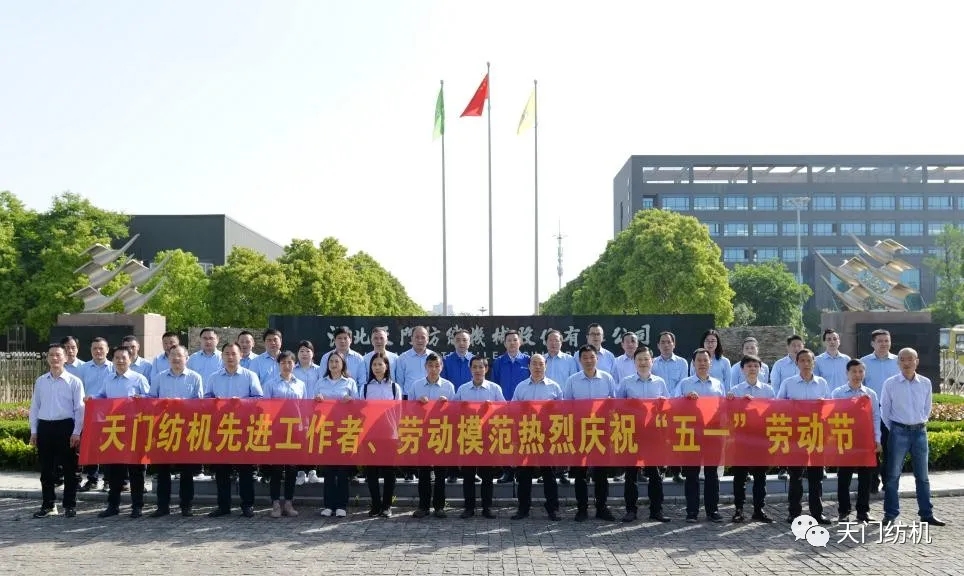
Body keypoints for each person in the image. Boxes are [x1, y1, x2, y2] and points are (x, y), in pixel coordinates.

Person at [881, 348, 945, 526]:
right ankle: (890, 514)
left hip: (919, 433)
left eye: (910, 359)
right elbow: (885, 410)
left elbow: (927, 408)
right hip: (898, 432)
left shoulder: (925, 382)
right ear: (898, 362)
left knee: (923, 476)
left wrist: (918, 423)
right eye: (902, 359)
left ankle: (926, 514)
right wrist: (895, 428)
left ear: (917, 361)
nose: (906, 363)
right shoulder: (890, 383)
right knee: (893, 476)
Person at [204, 342, 263, 518]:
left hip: (243, 428)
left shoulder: (250, 376)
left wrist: (242, 402)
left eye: (234, 354)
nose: (230, 357)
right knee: (222, 470)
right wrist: (214, 402)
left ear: (240, 356)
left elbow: (259, 399)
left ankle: (247, 505)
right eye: (227, 354)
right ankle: (223, 506)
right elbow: (206, 399)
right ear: (222, 356)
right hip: (221, 429)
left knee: (245, 470)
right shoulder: (214, 377)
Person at [29, 343, 84, 518]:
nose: (54, 358)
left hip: (65, 427)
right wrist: (34, 431)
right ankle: (48, 505)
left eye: (58, 355)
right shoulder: (41, 381)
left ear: (65, 358)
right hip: (45, 427)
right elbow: (35, 407)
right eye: (51, 355)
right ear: (47, 358)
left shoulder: (74, 382)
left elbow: (80, 409)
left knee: (70, 469)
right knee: (47, 470)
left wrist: (76, 432)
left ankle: (70, 505)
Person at [777, 348, 832, 525]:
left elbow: (831, 407)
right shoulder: (788, 383)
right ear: (797, 363)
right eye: (802, 360)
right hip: (796, 434)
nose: (806, 364)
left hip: (816, 432)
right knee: (795, 476)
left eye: (809, 360)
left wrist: (824, 405)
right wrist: (789, 405)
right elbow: (778, 406)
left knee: (816, 477)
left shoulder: (822, 383)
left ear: (814, 363)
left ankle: (817, 513)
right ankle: (794, 512)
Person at [147, 344, 203, 517]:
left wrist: (183, 405)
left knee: (186, 471)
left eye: (180, 355)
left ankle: (186, 505)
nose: (176, 359)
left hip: (186, 430)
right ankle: (162, 506)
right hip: (164, 429)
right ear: (168, 358)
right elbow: (151, 400)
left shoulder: (195, 377)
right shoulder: (159, 377)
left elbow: (200, 404)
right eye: (173, 355)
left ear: (187, 358)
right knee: (163, 470)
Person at [563, 344, 617, 522]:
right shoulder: (572, 380)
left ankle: (602, 507)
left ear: (597, 358)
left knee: (601, 473)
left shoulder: (607, 379)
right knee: (580, 473)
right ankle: (582, 508)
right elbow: (566, 407)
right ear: (580, 360)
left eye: (591, 357)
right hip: (579, 432)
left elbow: (614, 404)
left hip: (601, 432)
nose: (588, 360)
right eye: (585, 358)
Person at [97, 346, 150, 518]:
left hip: (135, 431)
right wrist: (91, 400)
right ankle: (113, 505)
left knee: (136, 471)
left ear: (130, 360)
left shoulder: (139, 379)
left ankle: (137, 506)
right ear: (113, 360)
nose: (120, 361)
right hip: (115, 430)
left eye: (124, 358)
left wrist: (142, 399)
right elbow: (101, 397)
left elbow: (150, 399)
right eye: (117, 358)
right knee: (114, 471)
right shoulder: (108, 379)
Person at [618, 346, 670, 523]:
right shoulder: (626, 383)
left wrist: (663, 404)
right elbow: (617, 407)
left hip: (653, 435)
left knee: (655, 474)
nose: (643, 362)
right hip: (632, 433)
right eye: (639, 359)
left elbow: (668, 407)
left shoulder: (660, 382)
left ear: (652, 361)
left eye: (646, 359)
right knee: (631, 474)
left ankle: (656, 510)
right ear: (634, 362)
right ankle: (630, 510)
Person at [510, 354, 562, 521]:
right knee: (524, 474)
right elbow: (513, 410)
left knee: (549, 474)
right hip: (526, 434)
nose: (538, 367)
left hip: (547, 436)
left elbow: (562, 412)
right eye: (534, 364)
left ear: (546, 366)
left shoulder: (554, 387)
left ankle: (552, 508)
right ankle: (523, 508)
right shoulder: (521, 387)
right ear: (529, 366)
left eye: (541, 364)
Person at [676, 348, 725, 523]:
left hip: (713, 433)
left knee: (712, 474)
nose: (702, 363)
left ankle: (713, 510)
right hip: (691, 433)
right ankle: (692, 511)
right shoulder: (684, 384)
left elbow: (724, 408)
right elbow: (673, 405)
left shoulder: (718, 384)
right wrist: (685, 399)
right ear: (693, 363)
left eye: (705, 360)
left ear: (710, 363)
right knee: (691, 474)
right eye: (699, 360)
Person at [309, 351, 357, 518]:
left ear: (343, 364)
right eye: (331, 361)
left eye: (337, 361)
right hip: (326, 430)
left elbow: (359, 406)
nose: (334, 364)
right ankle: (329, 505)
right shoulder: (320, 382)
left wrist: (351, 401)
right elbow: (312, 406)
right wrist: (317, 400)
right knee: (328, 471)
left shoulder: (350, 382)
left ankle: (342, 505)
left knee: (343, 471)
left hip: (344, 429)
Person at [726, 355, 775, 523]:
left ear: (760, 369)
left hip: (761, 439)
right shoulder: (735, 391)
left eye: (755, 366)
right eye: (749, 366)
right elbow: (728, 416)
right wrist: (734, 403)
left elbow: (773, 413)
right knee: (740, 477)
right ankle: (739, 510)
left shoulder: (768, 391)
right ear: (742, 369)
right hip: (741, 439)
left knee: (760, 477)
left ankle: (759, 509)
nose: (752, 369)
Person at [455, 356, 505, 518]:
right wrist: (461, 408)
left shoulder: (494, 389)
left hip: (488, 437)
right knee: (468, 475)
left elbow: (505, 410)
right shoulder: (462, 389)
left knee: (487, 476)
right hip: (468, 435)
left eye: (481, 367)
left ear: (486, 369)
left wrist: (493, 407)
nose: (477, 370)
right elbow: (452, 412)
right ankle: (469, 508)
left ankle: (487, 508)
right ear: (470, 369)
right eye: (474, 367)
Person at [831, 359, 880, 524]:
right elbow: (833, 416)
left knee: (865, 478)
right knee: (844, 477)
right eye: (854, 371)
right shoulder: (838, 393)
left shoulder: (870, 394)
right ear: (847, 373)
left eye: (860, 371)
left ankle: (863, 511)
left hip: (865, 441)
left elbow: (876, 417)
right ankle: (843, 511)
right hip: (845, 440)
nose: (857, 375)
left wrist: (877, 439)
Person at [408, 353, 455, 518]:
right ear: (425, 367)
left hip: (442, 433)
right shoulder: (416, 386)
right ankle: (423, 506)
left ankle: (439, 507)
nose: (433, 369)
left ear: (441, 367)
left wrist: (446, 405)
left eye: (437, 366)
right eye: (430, 366)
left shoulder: (448, 386)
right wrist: (417, 404)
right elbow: (408, 410)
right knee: (424, 473)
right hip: (422, 433)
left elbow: (455, 413)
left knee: (441, 474)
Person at [263, 350, 305, 518]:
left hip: (295, 430)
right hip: (277, 430)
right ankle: (275, 504)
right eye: (283, 362)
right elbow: (265, 408)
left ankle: (288, 503)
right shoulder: (270, 384)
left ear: (295, 364)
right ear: (278, 365)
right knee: (276, 468)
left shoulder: (301, 384)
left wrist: (304, 427)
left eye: (290, 362)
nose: (286, 365)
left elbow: (305, 407)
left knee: (292, 469)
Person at [362, 352, 403, 517]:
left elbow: (399, 413)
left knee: (389, 472)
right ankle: (375, 505)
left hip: (389, 436)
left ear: (386, 367)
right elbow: (360, 412)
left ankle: (387, 506)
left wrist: (399, 434)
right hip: (370, 436)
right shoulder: (365, 388)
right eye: (374, 364)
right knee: (371, 472)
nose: (377, 367)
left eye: (380, 364)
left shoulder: (394, 387)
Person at [860, 329, 899, 493]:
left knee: (890, 450)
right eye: (880, 341)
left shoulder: (898, 361)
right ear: (872, 343)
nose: (884, 344)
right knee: (872, 449)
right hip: (871, 413)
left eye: (886, 341)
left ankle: (888, 482)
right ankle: (872, 483)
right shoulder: (863, 363)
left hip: (892, 413)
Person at [491, 330, 529, 484]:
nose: (512, 343)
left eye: (515, 340)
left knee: (522, 439)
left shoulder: (527, 361)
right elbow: (494, 384)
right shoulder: (499, 362)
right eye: (509, 340)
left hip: (523, 409)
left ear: (520, 342)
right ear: (504, 343)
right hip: (504, 407)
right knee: (505, 439)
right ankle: (507, 472)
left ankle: (522, 471)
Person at [652, 330, 690, 484]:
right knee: (659, 439)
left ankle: (676, 471)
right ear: (658, 345)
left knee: (675, 438)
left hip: (676, 406)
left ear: (674, 344)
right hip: (657, 407)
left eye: (669, 342)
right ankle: (660, 470)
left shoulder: (682, 363)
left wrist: (670, 400)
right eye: (663, 342)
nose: (666, 345)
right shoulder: (652, 362)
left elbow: (683, 384)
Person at [77, 337, 113, 492]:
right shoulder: (83, 368)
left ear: (107, 350)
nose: (98, 351)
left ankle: (108, 480)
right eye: (95, 348)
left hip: (109, 415)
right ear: (90, 350)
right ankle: (92, 479)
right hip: (89, 414)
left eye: (101, 348)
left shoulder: (114, 367)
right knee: (91, 447)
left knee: (108, 446)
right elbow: (79, 390)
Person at [544, 329, 576, 485]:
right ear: (546, 343)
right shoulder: (541, 360)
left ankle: (563, 472)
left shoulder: (569, 360)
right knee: (546, 440)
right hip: (544, 407)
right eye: (550, 340)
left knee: (563, 440)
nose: (553, 343)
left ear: (561, 342)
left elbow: (574, 381)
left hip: (564, 405)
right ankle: (547, 472)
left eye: (556, 340)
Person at [770, 334, 804, 481]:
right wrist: (782, 404)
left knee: (803, 437)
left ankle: (806, 467)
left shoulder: (808, 361)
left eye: (799, 345)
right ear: (788, 347)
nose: (796, 348)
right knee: (784, 437)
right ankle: (783, 468)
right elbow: (775, 386)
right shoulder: (779, 365)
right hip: (785, 407)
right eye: (793, 345)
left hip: (804, 409)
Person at [293, 339, 322, 486]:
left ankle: (312, 470)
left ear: (313, 353)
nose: (305, 354)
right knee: (299, 440)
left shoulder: (319, 370)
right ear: (297, 354)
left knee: (313, 440)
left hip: (315, 410)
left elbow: (323, 386)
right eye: (302, 351)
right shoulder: (293, 370)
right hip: (297, 411)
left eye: (308, 351)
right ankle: (300, 472)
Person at [396, 326, 438, 399]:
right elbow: (400, 381)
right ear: (412, 339)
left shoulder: (434, 356)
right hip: (409, 398)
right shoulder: (403, 358)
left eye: (423, 337)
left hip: (430, 398)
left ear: (427, 339)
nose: (420, 340)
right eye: (417, 337)